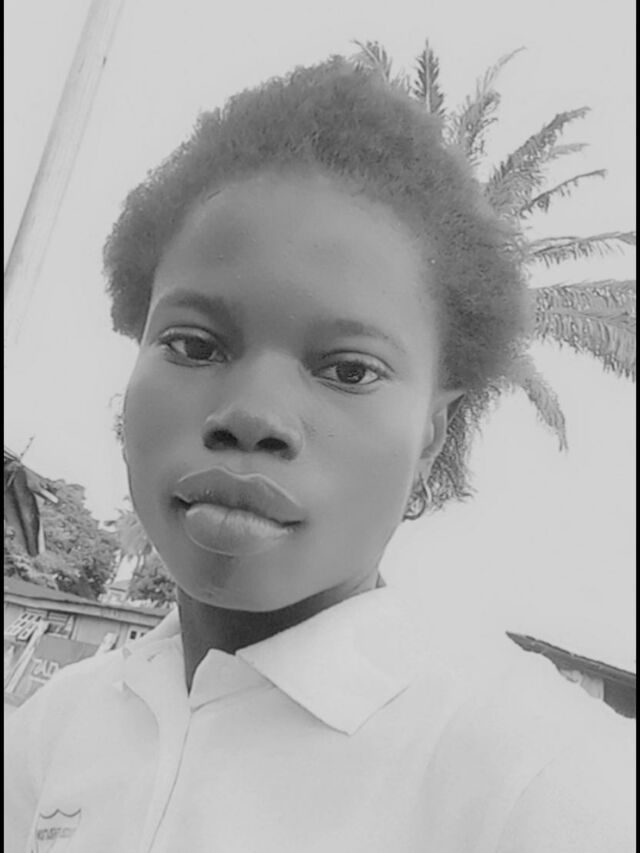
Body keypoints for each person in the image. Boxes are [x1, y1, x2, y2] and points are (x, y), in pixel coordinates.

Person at [4, 58, 634, 852]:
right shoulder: (58, 731)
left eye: (349, 370)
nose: (253, 416)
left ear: (432, 435)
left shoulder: (543, 781)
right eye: (194, 345)